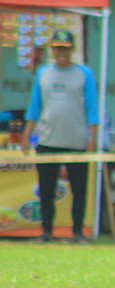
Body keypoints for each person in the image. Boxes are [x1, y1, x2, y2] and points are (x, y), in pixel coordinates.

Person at [22, 29, 99, 244]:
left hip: (76, 140)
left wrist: (92, 137)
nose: (61, 52)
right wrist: (27, 135)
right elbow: (34, 106)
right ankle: (46, 231)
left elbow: (92, 108)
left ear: (73, 49)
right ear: (52, 50)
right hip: (47, 139)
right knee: (46, 190)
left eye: (65, 48)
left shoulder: (85, 74)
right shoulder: (43, 73)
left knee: (79, 189)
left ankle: (78, 231)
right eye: (57, 48)